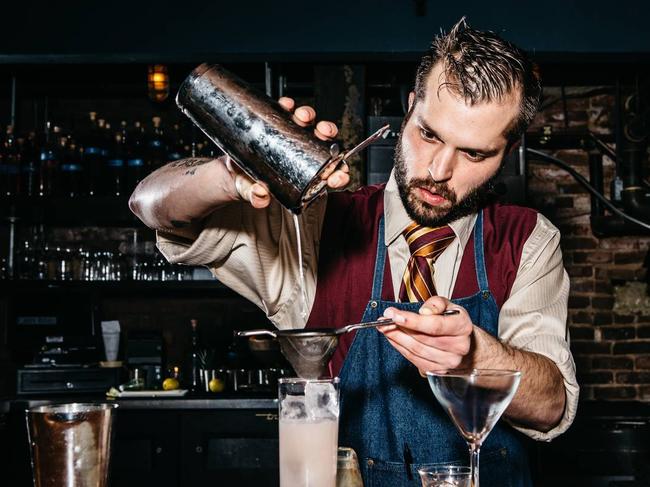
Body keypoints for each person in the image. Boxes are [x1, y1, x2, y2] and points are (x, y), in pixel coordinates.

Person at [130, 18, 578, 487]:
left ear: (507, 152)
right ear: (409, 109)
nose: (439, 171)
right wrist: (227, 175)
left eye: (474, 154)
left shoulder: (527, 240)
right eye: (429, 135)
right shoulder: (315, 227)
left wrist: (473, 355)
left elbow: (551, 407)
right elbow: (150, 206)